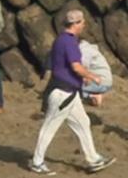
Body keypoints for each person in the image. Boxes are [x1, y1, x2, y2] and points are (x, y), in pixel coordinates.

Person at [31, 10, 116, 175]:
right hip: (63, 92)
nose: (84, 24)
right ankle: (37, 162)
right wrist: (93, 77)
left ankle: (93, 159)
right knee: (49, 127)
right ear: (75, 24)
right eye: (82, 22)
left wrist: (81, 78)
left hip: (69, 91)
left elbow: (64, 66)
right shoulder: (69, 42)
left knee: (83, 122)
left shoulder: (61, 40)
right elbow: (76, 66)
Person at [79, 40, 112, 106]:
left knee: (70, 87)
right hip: (104, 81)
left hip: (100, 82)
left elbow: (82, 68)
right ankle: (93, 95)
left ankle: (91, 96)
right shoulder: (90, 49)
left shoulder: (85, 50)